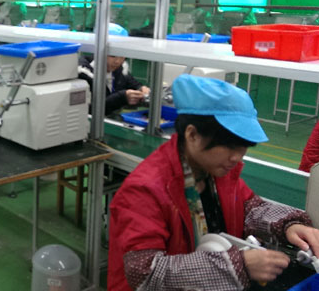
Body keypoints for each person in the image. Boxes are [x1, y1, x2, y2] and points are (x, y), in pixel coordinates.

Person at [108, 75, 319, 291]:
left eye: (243, 147)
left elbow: (248, 207)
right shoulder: (144, 190)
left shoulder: (217, 170)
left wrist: (289, 226)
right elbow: (145, 272)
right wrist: (239, 266)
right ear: (192, 134)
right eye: (229, 146)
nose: (237, 157)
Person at [78, 23, 150, 115]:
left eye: (122, 55)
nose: (117, 61)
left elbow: (133, 83)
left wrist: (141, 89)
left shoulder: (121, 68)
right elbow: (89, 109)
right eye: (112, 56)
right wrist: (122, 97)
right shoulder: (83, 72)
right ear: (97, 51)